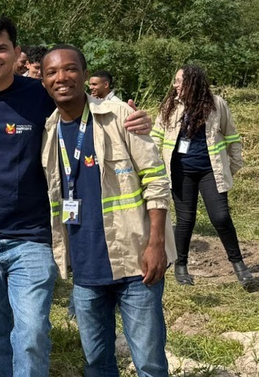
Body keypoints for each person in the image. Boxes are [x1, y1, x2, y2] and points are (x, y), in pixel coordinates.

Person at [0, 16, 153, 377]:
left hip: (32, 238)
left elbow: (88, 108)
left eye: (1, 48)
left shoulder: (40, 95)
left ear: (16, 53)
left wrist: (133, 118)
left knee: (32, 334)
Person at [39, 45, 174, 377]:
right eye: (52, 72)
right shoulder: (48, 131)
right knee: (96, 363)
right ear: (43, 82)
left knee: (149, 363)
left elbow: (156, 179)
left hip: (135, 262)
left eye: (70, 69)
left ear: (86, 76)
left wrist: (156, 244)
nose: (61, 78)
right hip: (85, 269)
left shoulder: (120, 116)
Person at [153, 65, 252, 290]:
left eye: (179, 81)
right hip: (180, 172)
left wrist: (233, 166)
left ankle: (239, 265)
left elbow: (232, 137)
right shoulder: (169, 106)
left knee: (221, 217)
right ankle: (181, 265)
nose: (175, 85)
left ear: (192, 83)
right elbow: (156, 137)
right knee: (185, 220)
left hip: (210, 171)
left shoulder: (217, 104)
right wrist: (154, 166)